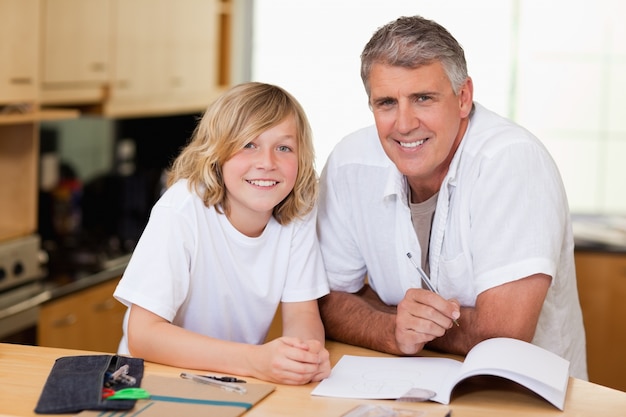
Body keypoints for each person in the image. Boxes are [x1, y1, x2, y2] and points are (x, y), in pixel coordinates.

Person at [316, 15, 587, 379]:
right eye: (386, 103)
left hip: (520, 397)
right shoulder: (349, 163)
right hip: (403, 389)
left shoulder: (511, 161)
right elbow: (325, 300)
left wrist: (387, 315)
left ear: (463, 98)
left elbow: (503, 334)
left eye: (423, 98)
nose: (404, 123)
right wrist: (393, 330)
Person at [114, 82, 331, 385]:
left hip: (230, 381)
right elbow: (143, 335)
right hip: (155, 380)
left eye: (284, 148)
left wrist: (305, 354)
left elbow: (302, 314)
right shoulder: (182, 210)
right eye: (248, 145)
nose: (267, 163)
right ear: (217, 153)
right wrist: (254, 361)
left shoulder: (297, 210)